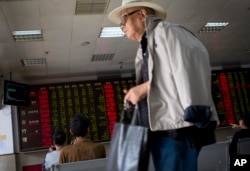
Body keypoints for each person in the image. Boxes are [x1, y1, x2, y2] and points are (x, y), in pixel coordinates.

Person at [108, 0, 220, 171]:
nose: (121, 26)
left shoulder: (169, 33)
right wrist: (138, 93)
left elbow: (186, 71)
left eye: (124, 18)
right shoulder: (145, 46)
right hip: (162, 132)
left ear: (142, 14)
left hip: (178, 132)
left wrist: (144, 88)